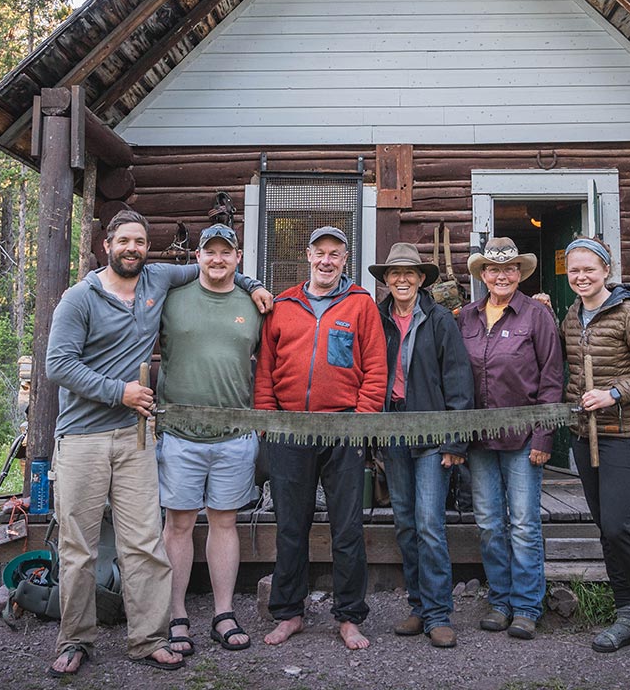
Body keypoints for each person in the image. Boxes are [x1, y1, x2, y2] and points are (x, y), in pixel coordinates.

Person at [44, 209, 272, 678]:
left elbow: (218, 265)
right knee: (79, 548)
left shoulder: (156, 280)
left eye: (140, 242)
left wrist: (252, 285)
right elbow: (58, 365)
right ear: (107, 244)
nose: (132, 248)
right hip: (84, 436)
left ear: (150, 249)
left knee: (143, 543)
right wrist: (119, 391)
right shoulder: (78, 298)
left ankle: (148, 638)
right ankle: (75, 640)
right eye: (124, 240)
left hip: (135, 436)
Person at [255, 226, 387, 651]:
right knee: (291, 525)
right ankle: (289, 612)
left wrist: (362, 421)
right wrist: (267, 417)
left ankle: (349, 616)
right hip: (290, 429)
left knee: (346, 527)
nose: (327, 260)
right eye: (320, 253)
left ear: (344, 260)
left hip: (343, 427)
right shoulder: (283, 304)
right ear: (308, 257)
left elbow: (375, 368)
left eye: (335, 254)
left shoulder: (361, 304)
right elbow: (265, 368)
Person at [561, 237, 630, 665]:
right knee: (604, 528)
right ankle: (625, 617)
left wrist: (613, 393)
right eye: (574, 270)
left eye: (589, 269)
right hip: (584, 433)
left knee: (620, 526)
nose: (582, 276)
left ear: (606, 270)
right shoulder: (572, 315)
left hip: (624, 433)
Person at [156, 223, 262, 656]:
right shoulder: (172, 300)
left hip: (234, 436)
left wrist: (252, 285)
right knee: (178, 523)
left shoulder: (254, 303)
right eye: (209, 252)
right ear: (197, 257)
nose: (217, 259)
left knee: (225, 522)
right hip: (179, 436)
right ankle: (176, 614)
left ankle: (223, 613)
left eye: (226, 252)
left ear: (238, 258)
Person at [455, 237, 564, 640]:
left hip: (523, 440)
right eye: (494, 269)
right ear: (482, 275)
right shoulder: (464, 317)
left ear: (520, 274)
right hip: (479, 440)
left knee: (522, 523)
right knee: (487, 522)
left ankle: (527, 606)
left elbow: (552, 380)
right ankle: (499, 600)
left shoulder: (537, 316)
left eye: (510, 269)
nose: (502, 275)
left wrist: (544, 436)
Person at [369, 241, 474, 649]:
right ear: (387, 280)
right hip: (392, 429)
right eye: (394, 273)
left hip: (432, 432)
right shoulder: (376, 318)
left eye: (409, 273)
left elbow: (459, 381)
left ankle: (438, 613)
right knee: (406, 523)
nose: (401, 279)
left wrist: (455, 441)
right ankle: (417, 606)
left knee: (430, 524)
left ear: (420, 279)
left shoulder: (440, 319)